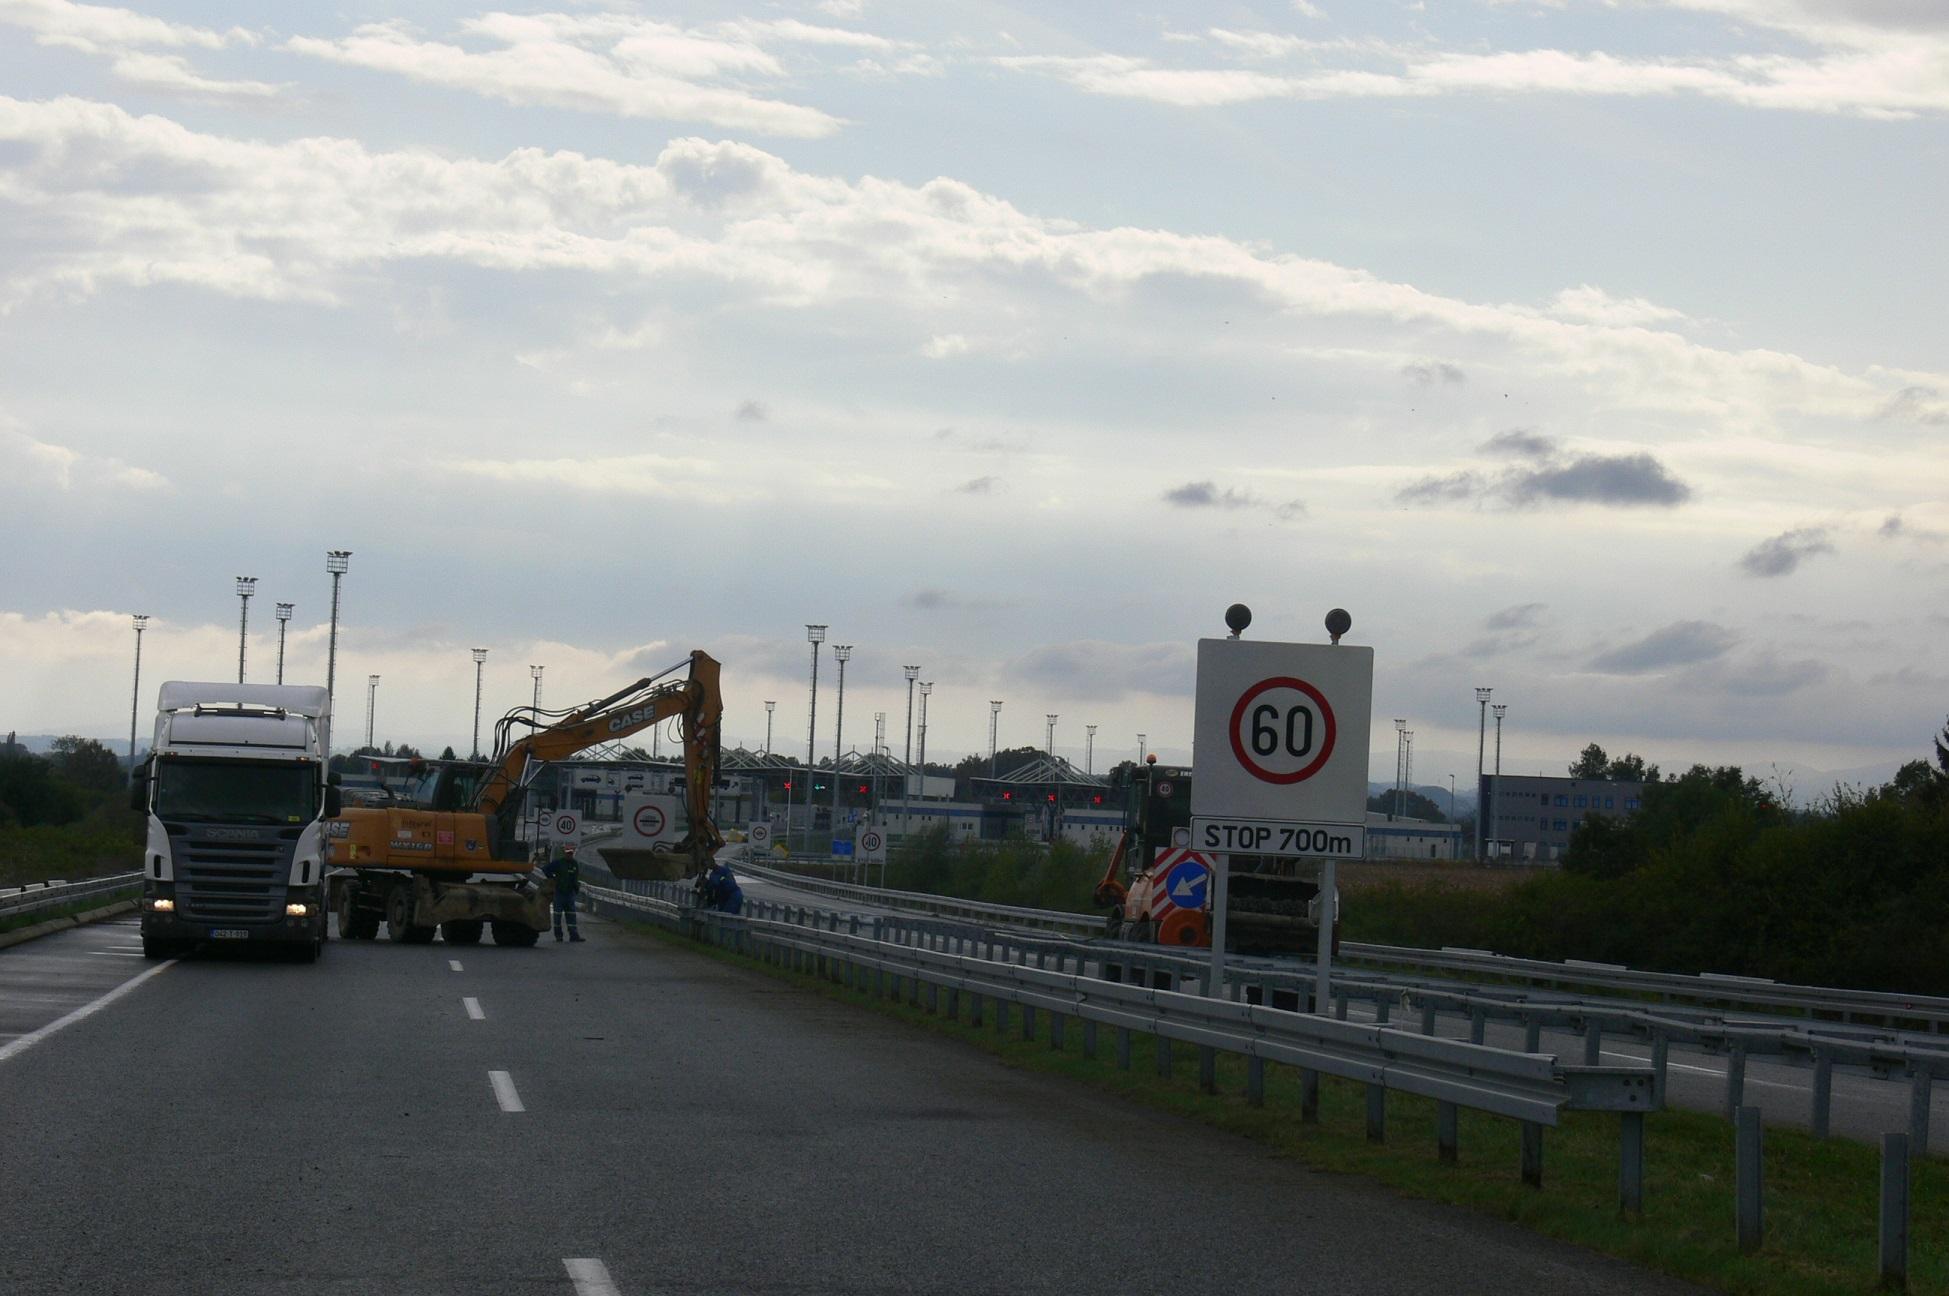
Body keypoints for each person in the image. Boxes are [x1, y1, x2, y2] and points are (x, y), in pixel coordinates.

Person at [542, 843, 585, 942]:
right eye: (568, 853)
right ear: (564, 853)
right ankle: (558, 936)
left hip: (570, 894)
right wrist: (552, 879)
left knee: (571, 915)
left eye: (571, 853)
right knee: (557, 916)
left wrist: (576, 888)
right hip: (559, 893)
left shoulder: (574, 864)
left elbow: (575, 878)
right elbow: (545, 869)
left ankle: (574, 935)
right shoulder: (558, 863)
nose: (569, 855)